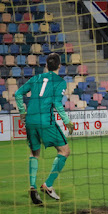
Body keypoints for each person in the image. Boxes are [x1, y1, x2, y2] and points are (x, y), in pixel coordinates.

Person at [15, 53, 74, 205]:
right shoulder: (60, 82)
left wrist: (22, 111)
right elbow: (57, 104)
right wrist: (67, 121)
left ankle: (32, 186)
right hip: (45, 121)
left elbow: (17, 93)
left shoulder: (35, 79)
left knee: (34, 153)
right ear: (59, 66)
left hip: (30, 120)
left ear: (46, 66)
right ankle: (48, 184)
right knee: (64, 151)